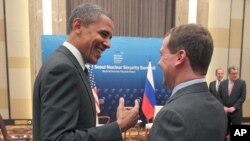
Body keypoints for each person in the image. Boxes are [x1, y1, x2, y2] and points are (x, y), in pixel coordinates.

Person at [33, 3, 139, 141]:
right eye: (103, 34)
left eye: (109, 38)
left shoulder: (71, 65)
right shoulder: (63, 69)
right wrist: (118, 127)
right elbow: (57, 139)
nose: (108, 44)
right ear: (78, 26)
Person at [148, 24, 228, 141]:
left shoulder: (171, 116)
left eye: (162, 55)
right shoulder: (219, 109)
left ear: (180, 57)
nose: (159, 62)